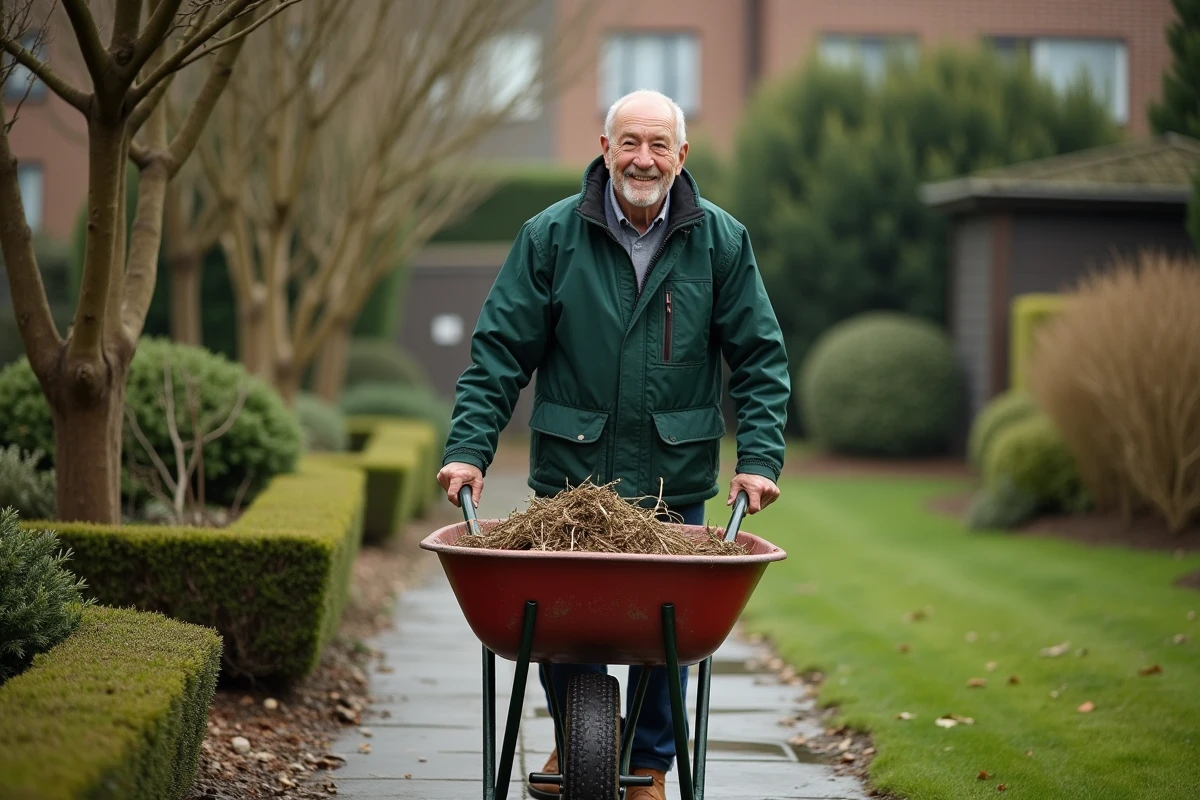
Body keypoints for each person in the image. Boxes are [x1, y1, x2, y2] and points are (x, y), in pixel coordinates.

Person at [437, 89, 790, 800]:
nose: (643, 158)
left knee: (669, 632)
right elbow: (501, 351)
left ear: (682, 155)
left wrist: (758, 460)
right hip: (574, 476)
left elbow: (759, 356)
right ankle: (577, 744)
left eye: (659, 144)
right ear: (605, 148)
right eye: (629, 141)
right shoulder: (550, 236)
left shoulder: (720, 241)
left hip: (672, 479)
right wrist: (469, 447)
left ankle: (651, 764)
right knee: (561, 618)